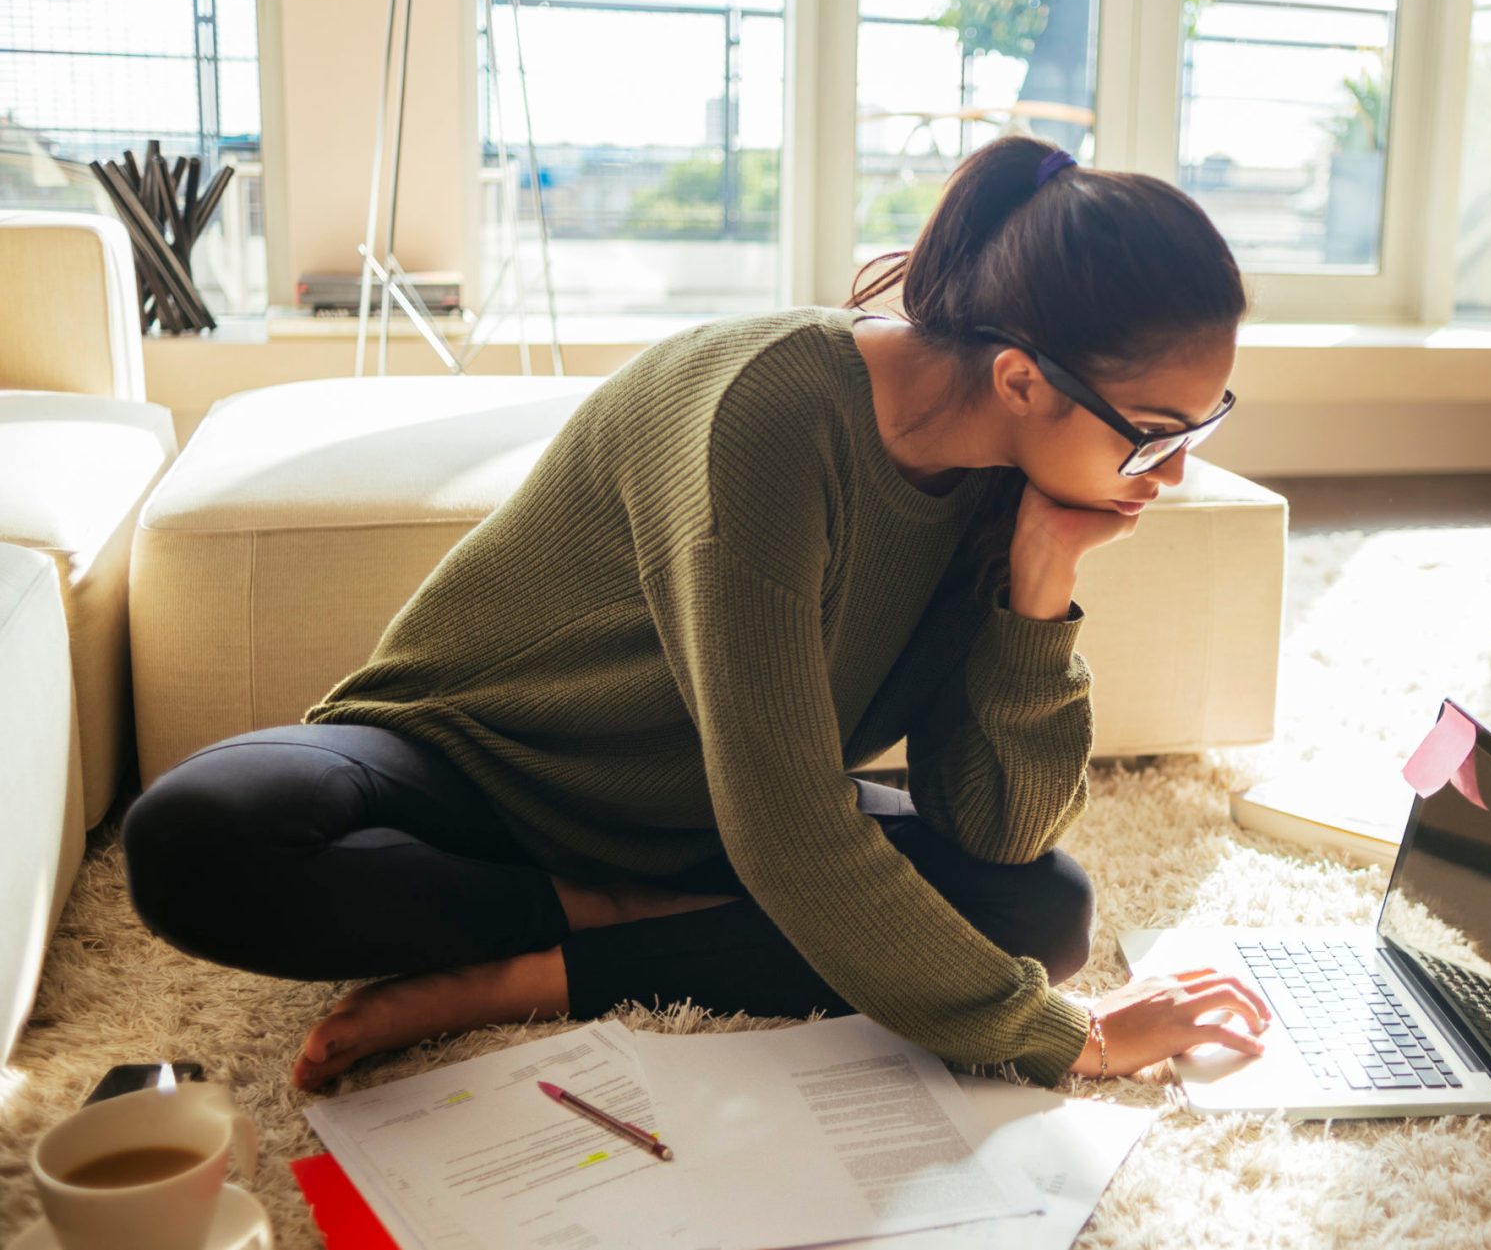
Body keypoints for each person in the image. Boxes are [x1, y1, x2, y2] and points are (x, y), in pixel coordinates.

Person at [121, 135, 1273, 1093]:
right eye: (1155, 432)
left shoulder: (1015, 491)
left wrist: (1039, 592)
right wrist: (1072, 1038)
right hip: (479, 767)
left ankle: (536, 968)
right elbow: (790, 833)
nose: (1169, 477)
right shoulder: (769, 415)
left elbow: (997, 831)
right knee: (199, 838)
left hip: (710, 819)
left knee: (1044, 905)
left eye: (1201, 427)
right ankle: (608, 918)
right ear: (1023, 379)